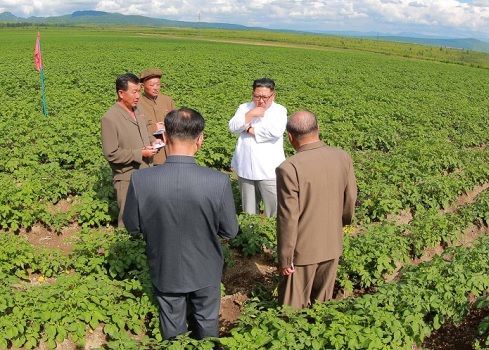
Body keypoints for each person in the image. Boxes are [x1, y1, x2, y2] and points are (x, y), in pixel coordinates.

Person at [123, 107, 239, 340]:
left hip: (165, 265)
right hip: (205, 267)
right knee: (207, 321)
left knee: (172, 322)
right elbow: (230, 230)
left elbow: (133, 226)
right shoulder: (218, 181)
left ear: (164, 138)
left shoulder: (141, 179)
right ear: (200, 140)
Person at [276, 110, 357, 309]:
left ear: (290, 137)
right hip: (332, 244)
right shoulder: (342, 157)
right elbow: (350, 199)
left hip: (302, 252)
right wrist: (341, 224)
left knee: (292, 309)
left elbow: (288, 218)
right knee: (323, 307)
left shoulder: (289, 167)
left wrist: (285, 258)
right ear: (318, 129)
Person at [101, 73, 162, 227]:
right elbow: (111, 154)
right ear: (121, 93)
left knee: (146, 216)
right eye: (133, 92)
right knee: (128, 219)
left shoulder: (138, 110)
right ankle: (124, 248)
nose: (138, 96)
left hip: (146, 170)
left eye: (139, 91)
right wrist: (140, 153)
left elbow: (145, 134)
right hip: (127, 176)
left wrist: (155, 142)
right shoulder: (110, 118)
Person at [228, 78, 287, 217]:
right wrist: (251, 114)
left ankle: (275, 235)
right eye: (257, 96)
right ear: (252, 93)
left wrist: (248, 129)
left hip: (269, 170)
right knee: (249, 211)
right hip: (245, 167)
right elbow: (233, 127)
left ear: (273, 95)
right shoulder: (245, 108)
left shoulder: (279, 110)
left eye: (265, 97)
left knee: (275, 210)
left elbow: (274, 132)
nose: (261, 101)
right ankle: (250, 234)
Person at [138, 68, 176, 165]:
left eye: (158, 84)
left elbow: (176, 122)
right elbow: (133, 128)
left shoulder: (167, 100)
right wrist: (153, 128)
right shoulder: (137, 103)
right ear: (142, 86)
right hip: (153, 156)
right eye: (152, 85)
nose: (156, 88)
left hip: (171, 152)